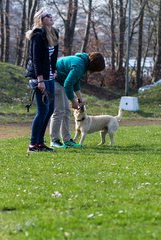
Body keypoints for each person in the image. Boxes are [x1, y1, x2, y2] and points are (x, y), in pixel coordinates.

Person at [49, 52, 106, 148]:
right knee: (59, 111)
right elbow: (68, 84)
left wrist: (79, 98)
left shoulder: (82, 63)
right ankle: (54, 140)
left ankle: (67, 140)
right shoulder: (79, 64)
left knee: (66, 111)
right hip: (54, 81)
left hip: (60, 82)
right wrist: (73, 100)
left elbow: (75, 83)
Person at [25, 9, 59, 152]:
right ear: (40, 19)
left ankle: (40, 143)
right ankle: (33, 144)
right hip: (39, 78)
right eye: (47, 16)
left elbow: (53, 56)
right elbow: (36, 59)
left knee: (50, 110)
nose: (51, 17)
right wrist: (40, 81)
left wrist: (54, 69)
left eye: (51, 15)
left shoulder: (53, 33)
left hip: (49, 77)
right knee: (42, 110)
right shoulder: (37, 35)